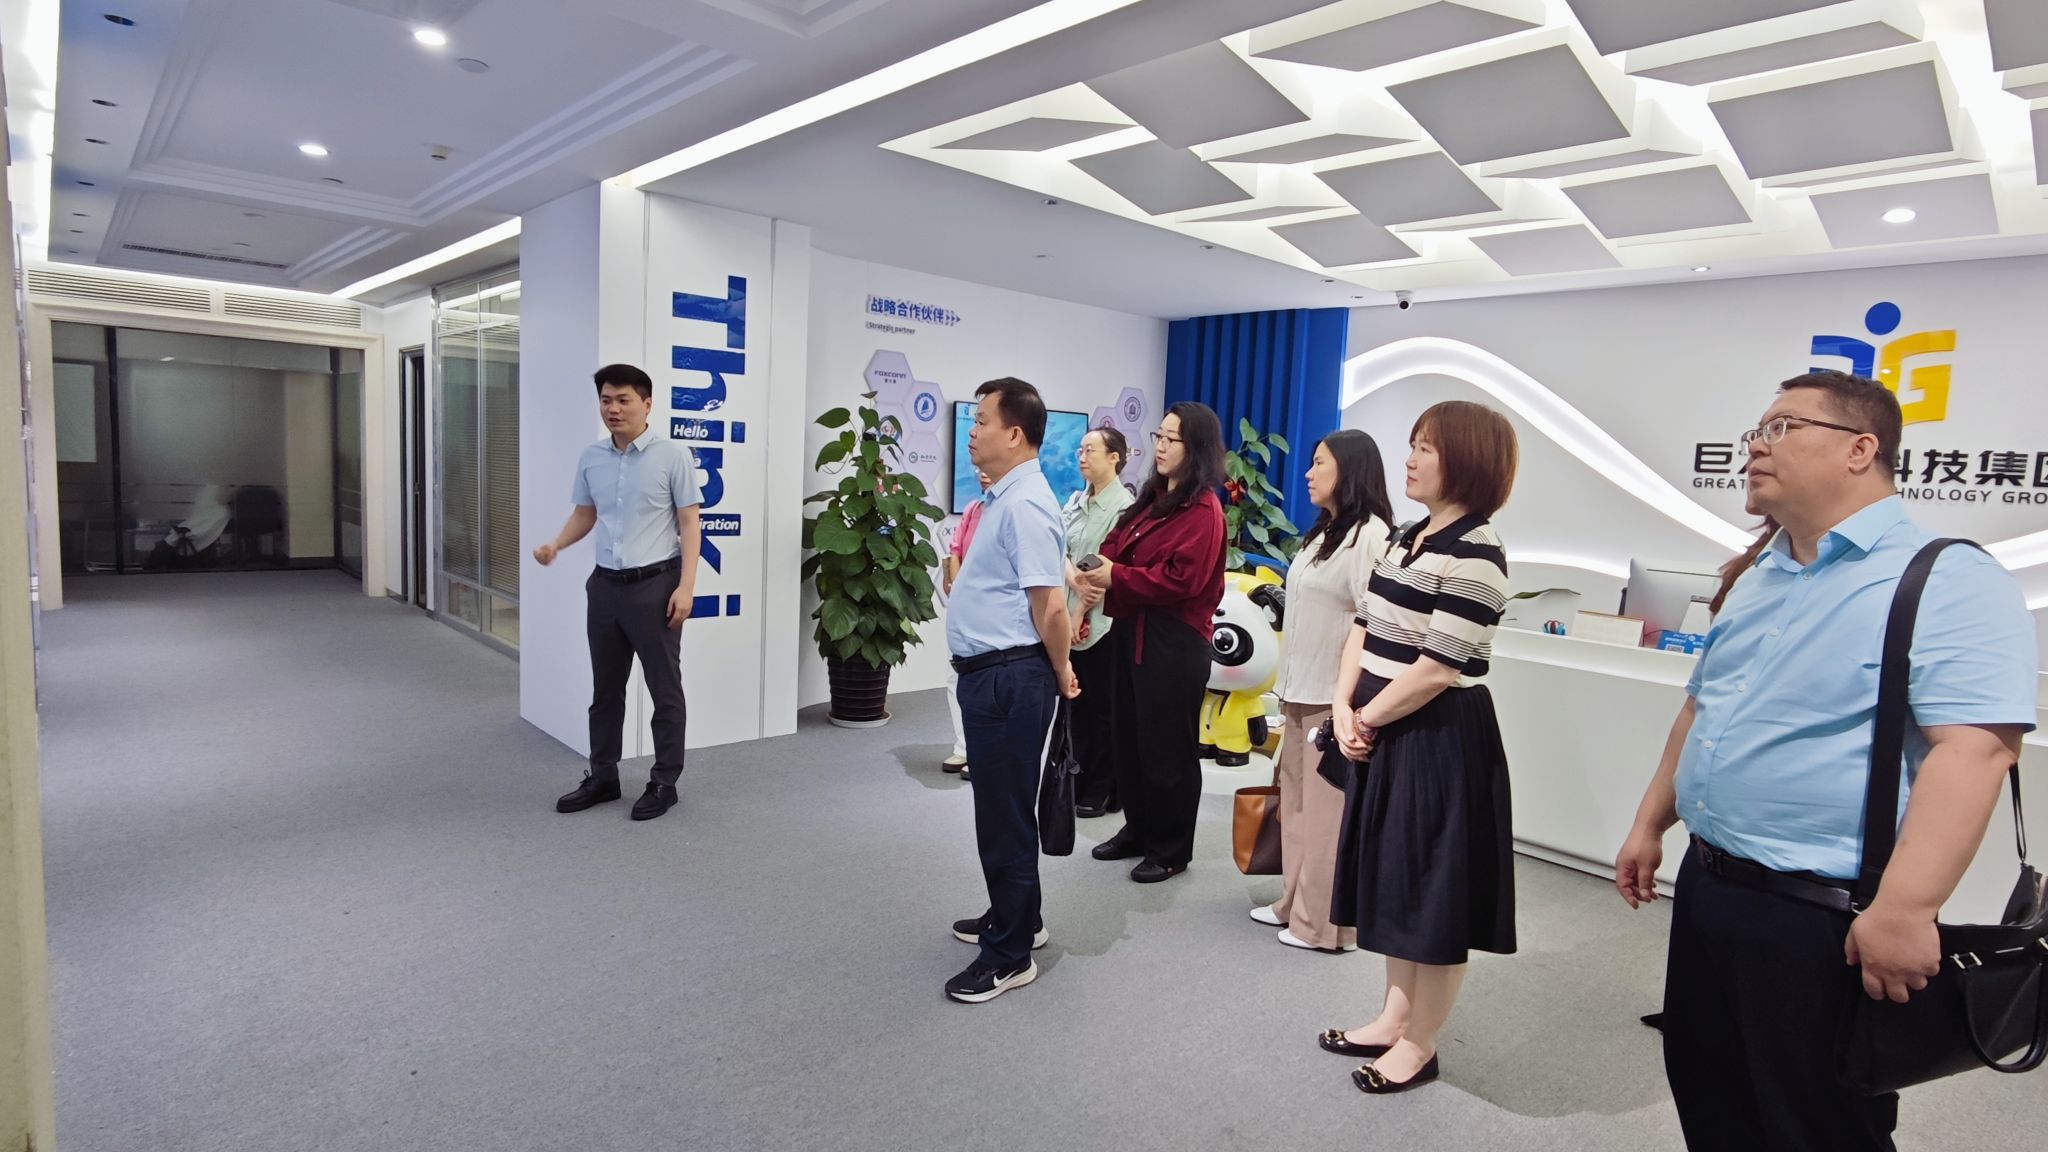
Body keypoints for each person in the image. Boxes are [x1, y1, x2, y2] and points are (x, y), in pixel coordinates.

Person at [1614, 371, 2036, 1151]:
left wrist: (1905, 910)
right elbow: (1703, 709)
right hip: (1711, 886)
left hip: (1823, 917)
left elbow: (1974, 752)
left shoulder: (1949, 577)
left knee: (1815, 1124)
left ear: (1860, 450)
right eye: (1755, 431)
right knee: (1712, 1093)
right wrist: (1650, 824)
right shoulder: (1760, 574)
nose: (1754, 447)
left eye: (1781, 428)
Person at [1323, 400, 1518, 1094]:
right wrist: (1342, 706)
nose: (1409, 460)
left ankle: (1420, 1043)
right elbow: (1365, 626)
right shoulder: (1408, 536)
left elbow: (1439, 667)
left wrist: (1365, 719)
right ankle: (1392, 1017)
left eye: (1425, 448)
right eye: (1412, 445)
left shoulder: (1479, 552)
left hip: (1437, 736)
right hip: (1383, 724)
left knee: (1433, 890)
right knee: (1393, 877)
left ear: (1467, 459)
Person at [943, 377, 1080, 1004]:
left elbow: (1049, 606)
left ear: (1015, 434)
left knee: (1004, 817)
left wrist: (1060, 670)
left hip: (1009, 677)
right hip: (994, 674)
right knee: (1002, 809)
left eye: (981, 422)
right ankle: (1018, 917)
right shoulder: (1006, 496)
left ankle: (1010, 955)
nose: (971, 433)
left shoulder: (1024, 505)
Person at [534, 364, 702, 822]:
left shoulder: (672, 455)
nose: (613, 408)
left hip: (656, 587)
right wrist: (556, 544)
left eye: (623, 400)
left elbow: (690, 522)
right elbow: (585, 514)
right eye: (606, 400)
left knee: (664, 690)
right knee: (605, 690)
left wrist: (686, 587)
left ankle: (664, 781)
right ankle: (603, 776)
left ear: (647, 404)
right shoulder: (592, 457)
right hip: (605, 587)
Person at [1251, 430, 1392, 952]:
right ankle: (1295, 901)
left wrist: (1354, 702)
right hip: (1298, 689)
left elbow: (1375, 625)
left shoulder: (1371, 537)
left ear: (1349, 470)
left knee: (1327, 816)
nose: (1308, 473)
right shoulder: (1325, 532)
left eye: (1319, 464)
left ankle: (1327, 927)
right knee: (1297, 807)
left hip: (1334, 696)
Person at [1075, 402, 1227, 884]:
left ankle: (1170, 849)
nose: (1159, 446)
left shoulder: (1203, 510)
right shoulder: (1153, 497)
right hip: (1131, 631)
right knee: (1129, 740)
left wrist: (1117, 576)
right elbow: (1114, 545)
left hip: (1173, 643)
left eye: (1171, 439)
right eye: (1158, 436)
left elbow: (1180, 580)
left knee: (1167, 749)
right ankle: (1138, 830)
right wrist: (1105, 570)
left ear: (1195, 447)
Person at [1063, 427, 1135, 818]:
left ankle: (1102, 789)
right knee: (1075, 705)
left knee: (1104, 709)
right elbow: (1059, 549)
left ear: (1115, 457)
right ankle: (1076, 780)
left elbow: (1108, 568)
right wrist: (1073, 582)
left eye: (1091, 450)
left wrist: (1080, 611)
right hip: (1069, 615)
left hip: (1103, 621)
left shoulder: (1124, 509)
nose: (1082, 456)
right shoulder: (1076, 501)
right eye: (1080, 449)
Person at [941, 469, 992, 779]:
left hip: (990, 612)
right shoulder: (973, 508)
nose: (982, 473)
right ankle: (963, 747)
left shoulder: (1008, 510)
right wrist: (960, 591)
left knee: (984, 683)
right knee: (955, 676)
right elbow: (956, 550)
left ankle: (981, 752)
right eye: (978, 468)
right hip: (964, 608)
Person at [144, 483, 232, 570]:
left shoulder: (220, 511)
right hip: (182, 538)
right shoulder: (212, 508)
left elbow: (199, 531)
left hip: (184, 541)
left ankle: (151, 566)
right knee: (161, 548)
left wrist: (184, 532)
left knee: (161, 549)